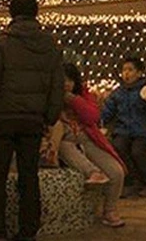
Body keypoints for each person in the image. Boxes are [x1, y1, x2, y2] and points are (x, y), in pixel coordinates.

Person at [0, 0, 63, 241]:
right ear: (36, 13)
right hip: (33, 120)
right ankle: (28, 231)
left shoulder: (2, 44)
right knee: (28, 175)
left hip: (3, 118)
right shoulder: (50, 45)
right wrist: (50, 117)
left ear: (12, 14)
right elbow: (56, 86)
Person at [58, 62, 126, 228]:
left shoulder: (83, 96)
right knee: (65, 146)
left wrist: (74, 100)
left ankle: (110, 211)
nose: (66, 84)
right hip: (64, 142)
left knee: (116, 171)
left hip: (87, 139)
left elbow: (93, 117)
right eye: (62, 80)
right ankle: (93, 172)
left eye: (70, 80)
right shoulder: (48, 97)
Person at [100, 56, 146, 198]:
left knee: (138, 151)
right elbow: (108, 112)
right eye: (124, 70)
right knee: (118, 147)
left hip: (141, 132)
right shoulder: (118, 93)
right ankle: (130, 183)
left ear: (139, 73)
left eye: (130, 70)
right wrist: (100, 121)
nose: (126, 74)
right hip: (122, 131)